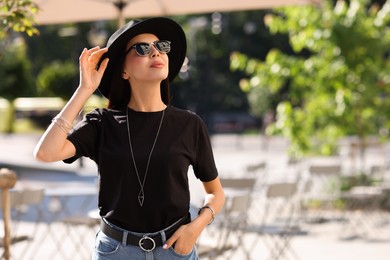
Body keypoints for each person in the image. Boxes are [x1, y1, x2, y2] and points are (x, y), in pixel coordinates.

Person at [34, 17, 225, 260]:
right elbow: (45, 153)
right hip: (115, 251)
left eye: (161, 46)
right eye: (143, 48)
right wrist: (84, 90)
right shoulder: (102, 123)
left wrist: (195, 229)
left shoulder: (190, 125)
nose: (155, 52)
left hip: (175, 250)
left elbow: (216, 193)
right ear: (123, 70)